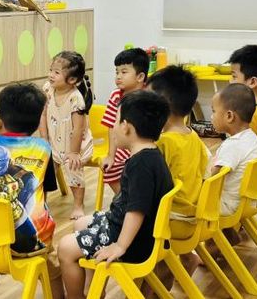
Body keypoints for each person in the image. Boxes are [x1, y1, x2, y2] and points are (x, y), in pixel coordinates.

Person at [57, 91, 173, 299]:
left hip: (133, 241)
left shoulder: (141, 165)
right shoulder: (151, 155)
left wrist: (120, 246)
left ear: (126, 127)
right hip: (132, 229)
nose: (113, 127)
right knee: (80, 223)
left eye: (116, 121)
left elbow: (136, 211)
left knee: (65, 248)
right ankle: (94, 290)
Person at [0, 83, 63, 299]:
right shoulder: (43, 148)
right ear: (37, 124)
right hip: (34, 238)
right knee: (51, 265)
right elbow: (44, 194)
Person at [147, 65, 209, 284]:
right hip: (192, 217)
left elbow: (150, 188)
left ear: (162, 105)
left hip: (171, 221)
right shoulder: (193, 136)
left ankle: (153, 291)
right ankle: (185, 260)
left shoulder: (164, 142)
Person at [38, 51, 94, 220]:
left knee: (72, 167)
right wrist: (44, 140)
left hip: (75, 144)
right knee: (44, 169)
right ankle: (41, 204)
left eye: (56, 72)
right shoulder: (48, 89)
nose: (51, 75)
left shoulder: (75, 99)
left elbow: (78, 129)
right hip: (55, 141)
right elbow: (43, 115)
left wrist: (74, 152)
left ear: (72, 80)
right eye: (51, 70)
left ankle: (78, 205)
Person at [210, 84, 257, 218]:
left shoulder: (232, 145)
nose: (211, 117)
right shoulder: (255, 141)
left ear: (229, 116)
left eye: (213, 111)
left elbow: (213, 179)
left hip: (227, 206)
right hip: (249, 202)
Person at [101, 48, 149, 194]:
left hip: (145, 145)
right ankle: (123, 198)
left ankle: (136, 197)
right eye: (117, 72)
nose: (118, 77)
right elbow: (111, 126)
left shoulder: (149, 96)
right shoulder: (116, 96)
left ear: (140, 76)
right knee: (109, 166)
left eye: (124, 72)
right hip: (123, 145)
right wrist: (111, 155)